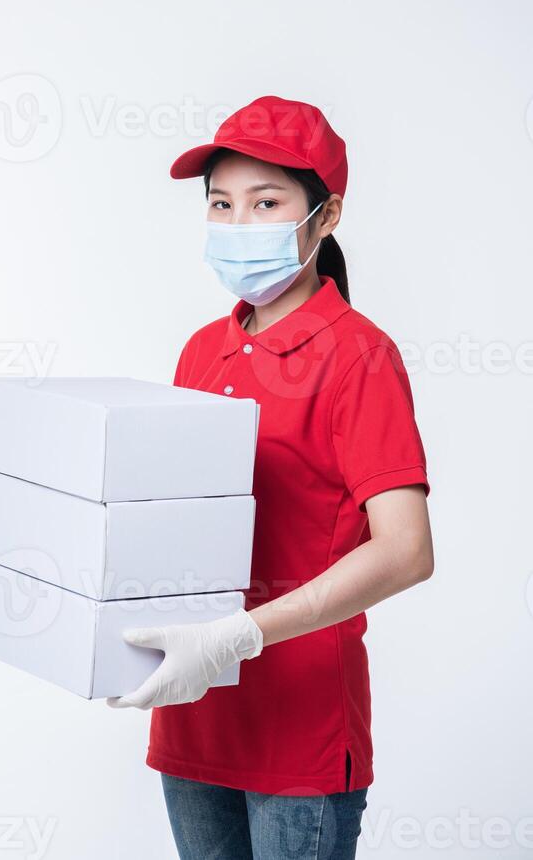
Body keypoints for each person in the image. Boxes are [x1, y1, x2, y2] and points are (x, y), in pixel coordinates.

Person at [107, 95, 434, 859]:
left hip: (301, 734)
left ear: (325, 217)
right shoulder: (200, 352)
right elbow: (170, 517)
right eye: (222, 204)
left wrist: (240, 634)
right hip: (194, 711)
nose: (237, 223)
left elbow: (407, 550)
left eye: (265, 203)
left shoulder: (359, 356)